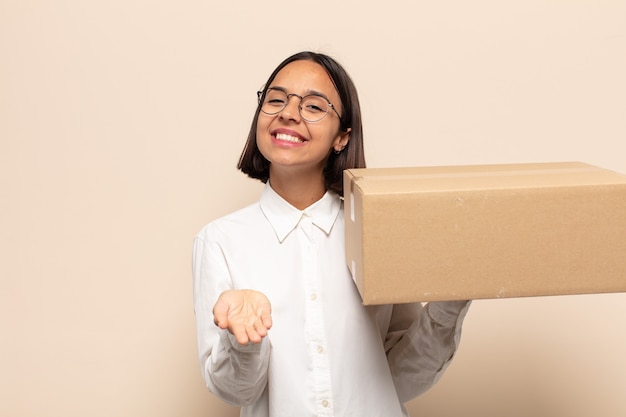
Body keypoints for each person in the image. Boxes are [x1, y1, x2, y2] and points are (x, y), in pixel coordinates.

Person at [192, 51, 471, 417]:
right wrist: (244, 339)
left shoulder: (379, 230)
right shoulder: (219, 241)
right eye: (276, 99)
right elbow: (236, 391)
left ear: (342, 137)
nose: (288, 113)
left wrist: (448, 305)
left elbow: (402, 379)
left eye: (313, 106)